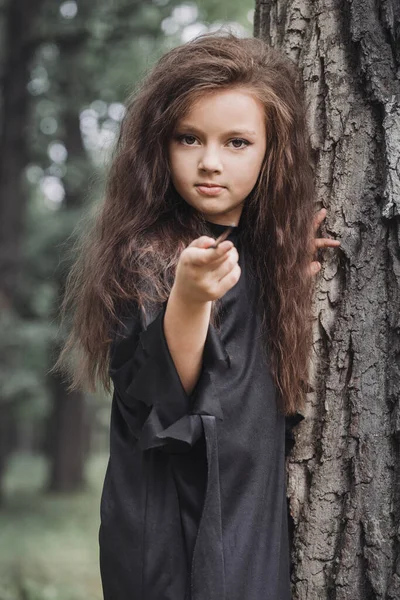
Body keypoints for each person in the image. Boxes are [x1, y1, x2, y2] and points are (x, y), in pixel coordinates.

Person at [55, 31, 341, 600]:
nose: (209, 163)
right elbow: (165, 397)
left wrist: (289, 277)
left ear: (272, 152)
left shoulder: (261, 252)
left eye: (237, 143)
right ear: (159, 146)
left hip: (244, 513)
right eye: (189, 138)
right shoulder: (151, 255)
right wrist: (189, 300)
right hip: (171, 532)